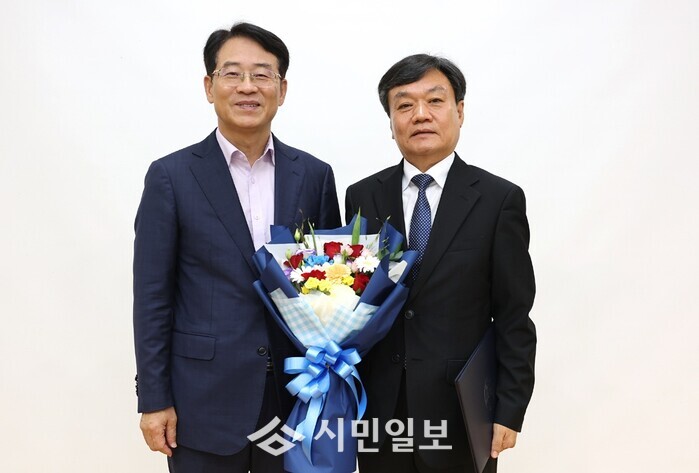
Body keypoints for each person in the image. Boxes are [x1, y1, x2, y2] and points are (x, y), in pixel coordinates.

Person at [133, 22, 341, 472]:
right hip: (201, 399)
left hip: (294, 397)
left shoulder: (315, 175)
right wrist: (153, 398)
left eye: (262, 74)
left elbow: (330, 289)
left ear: (282, 89)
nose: (248, 86)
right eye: (232, 73)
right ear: (209, 87)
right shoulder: (171, 177)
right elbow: (152, 297)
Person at [345, 54, 536, 473]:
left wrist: (510, 408)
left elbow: (513, 315)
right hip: (380, 411)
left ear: (459, 111)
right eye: (404, 104)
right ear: (390, 121)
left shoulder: (498, 200)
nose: (420, 115)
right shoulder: (362, 196)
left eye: (434, 101)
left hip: (462, 411)